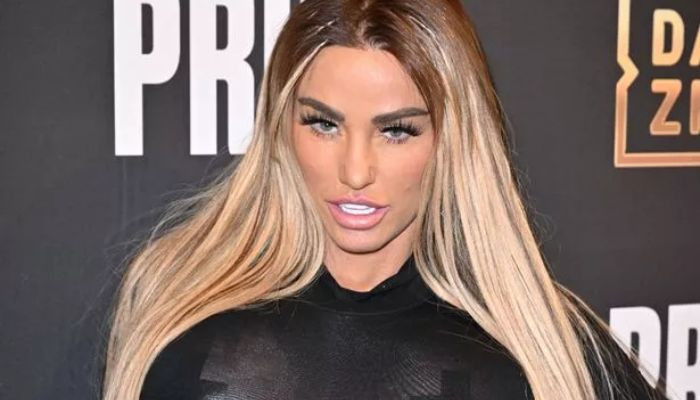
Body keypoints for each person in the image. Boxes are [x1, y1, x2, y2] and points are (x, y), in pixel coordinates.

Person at [99, 0, 669, 399]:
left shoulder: (548, 351)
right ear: (280, 125)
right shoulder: (176, 307)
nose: (355, 171)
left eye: (397, 131)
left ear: (453, 139)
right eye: (323, 124)